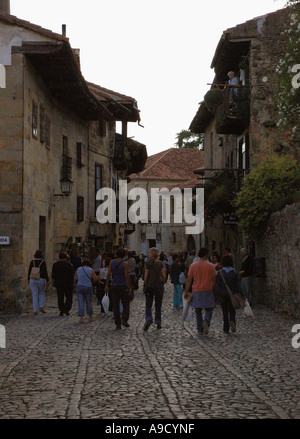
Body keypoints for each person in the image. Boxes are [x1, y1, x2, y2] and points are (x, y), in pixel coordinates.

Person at [184, 248, 216, 335]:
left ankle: (199, 329)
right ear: (206, 255)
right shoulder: (210, 266)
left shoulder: (193, 266)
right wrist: (212, 288)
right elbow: (214, 279)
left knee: (198, 310)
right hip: (208, 289)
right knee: (209, 309)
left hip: (196, 290)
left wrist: (186, 291)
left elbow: (189, 280)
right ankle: (206, 321)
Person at [215, 255, 244, 333]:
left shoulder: (220, 273)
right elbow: (238, 285)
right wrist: (242, 294)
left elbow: (217, 285)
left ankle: (226, 328)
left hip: (223, 294)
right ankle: (232, 321)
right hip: (232, 294)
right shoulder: (234, 272)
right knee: (232, 310)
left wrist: (217, 294)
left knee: (224, 311)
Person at [104, 248, 132, 330]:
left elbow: (109, 274)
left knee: (115, 305)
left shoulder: (111, 262)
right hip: (123, 286)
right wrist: (129, 287)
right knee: (126, 304)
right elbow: (127, 276)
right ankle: (125, 319)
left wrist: (106, 285)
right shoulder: (125, 264)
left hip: (114, 286)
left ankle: (118, 323)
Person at [143, 247, 166, 331]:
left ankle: (148, 318)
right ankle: (158, 321)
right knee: (158, 304)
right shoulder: (160, 263)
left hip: (150, 285)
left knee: (148, 304)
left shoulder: (148, 263)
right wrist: (162, 281)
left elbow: (145, 277)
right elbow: (164, 275)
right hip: (159, 285)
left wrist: (145, 284)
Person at [51, 252, 74, 316]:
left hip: (59, 283)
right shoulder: (69, 265)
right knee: (69, 297)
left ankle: (61, 309)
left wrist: (53, 282)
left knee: (60, 297)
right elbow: (72, 275)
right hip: (68, 283)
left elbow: (53, 275)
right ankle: (67, 309)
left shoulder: (55, 265)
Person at [28, 250, 49, 315]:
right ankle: (41, 306)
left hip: (32, 279)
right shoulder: (43, 262)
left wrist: (28, 279)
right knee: (42, 293)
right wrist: (47, 280)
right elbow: (45, 272)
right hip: (41, 279)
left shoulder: (32, 262)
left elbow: (29, 271)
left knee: (34, 294)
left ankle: (35, 310)